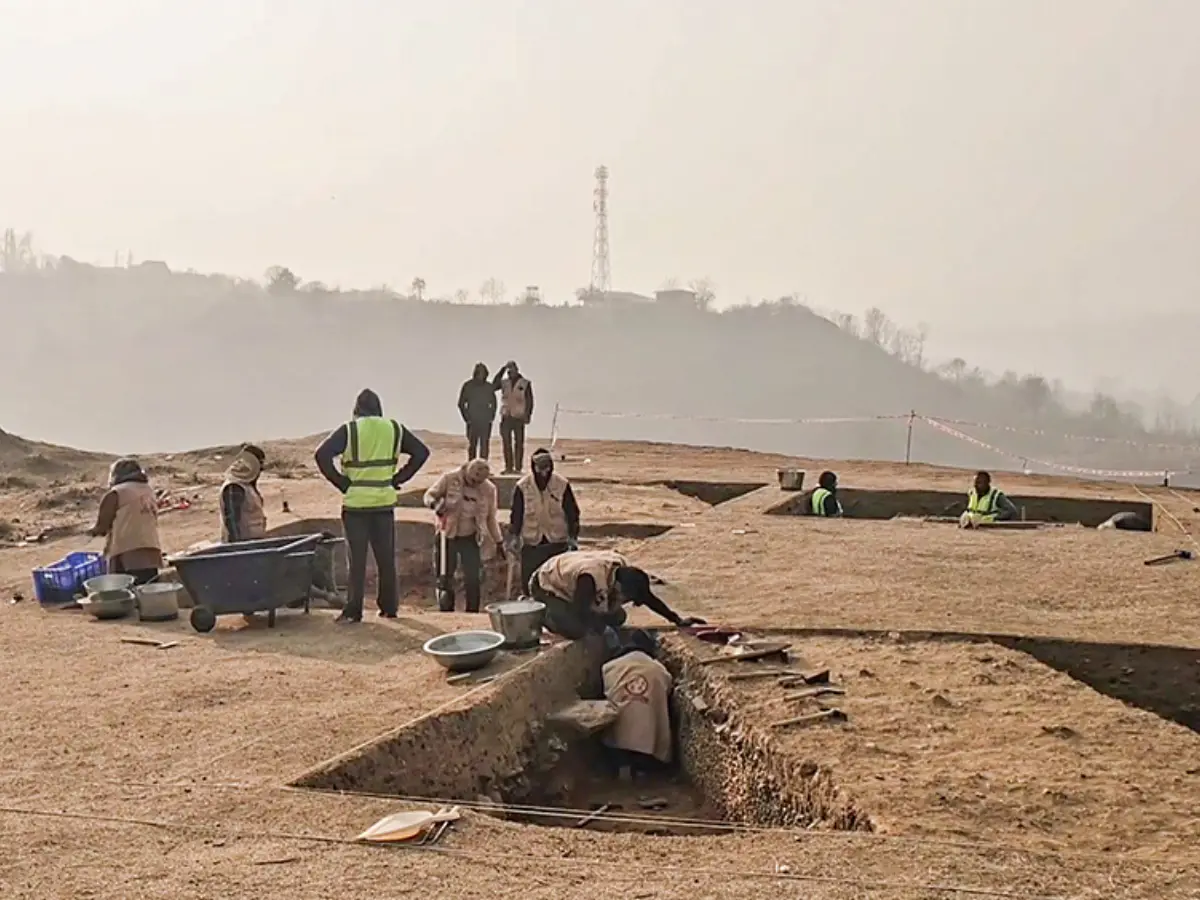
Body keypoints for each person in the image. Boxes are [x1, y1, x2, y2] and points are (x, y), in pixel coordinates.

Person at [314, 389, 430, 623]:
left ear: (357, 410)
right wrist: (399, 478)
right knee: (386, 559)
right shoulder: (394, 428)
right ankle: (389, 607)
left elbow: (321, 455)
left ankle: (353, 610)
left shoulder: (350, 429)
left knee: (356, 561)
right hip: (384, 503)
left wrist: (342, 483)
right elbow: (421, 452)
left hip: (356, 505)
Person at [528, 549, 705, 641]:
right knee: (578, 630)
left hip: (574, 584)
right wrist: (601, 628)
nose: (624, 601)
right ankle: (540, 613)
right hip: (547, 585)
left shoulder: (623, 569)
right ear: (618, 588)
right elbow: (580, 611)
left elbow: (648, 598)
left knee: (619, 617)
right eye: (625, 598)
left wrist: (677, 619)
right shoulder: (589, 580)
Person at [423, 459, 505, 613]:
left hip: (471, 537)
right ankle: (446, 610)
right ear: (467, 471)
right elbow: (429, 495)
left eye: (479, 481)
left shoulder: (489, 489)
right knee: (445, 575)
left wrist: (499, 541)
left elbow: (491, 518)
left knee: (473, 577)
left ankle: (472, 611)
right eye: (473, 480)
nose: (475, 484)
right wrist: (435, 504)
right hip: (447, 534)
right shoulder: (449, 478)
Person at [601, 629, 674, 778]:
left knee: (617, 733)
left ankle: (623, 769)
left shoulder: (609, 667)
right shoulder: (660, 670)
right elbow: (667, 691)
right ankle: (643, 772)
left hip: (617, 740)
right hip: (648, 741)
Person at [511, 447, 580, 588]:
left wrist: (573, 537)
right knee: (530, 582)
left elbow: (572, 513)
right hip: (532, 543)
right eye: (540, 469)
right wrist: (514, 536)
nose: (544, 473)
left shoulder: (562, 484)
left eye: (547, 468)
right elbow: (516, 514)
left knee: (555, 582)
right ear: (533, 467)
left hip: (556, 542)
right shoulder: (522, 486)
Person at [89, 458, 163, 585]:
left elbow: (101, 528)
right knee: (148, 594)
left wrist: (89, 531)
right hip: (151, 552)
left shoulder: (115, 493)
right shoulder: (148, 491)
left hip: (127, 555)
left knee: (127, 597)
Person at [219, 444, 267, 543]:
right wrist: (237, 548)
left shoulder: (247, 486)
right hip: (243, 545)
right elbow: (232, 521)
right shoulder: (234, 487)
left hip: (254, 541)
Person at [493, 360, 533, 474]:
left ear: (517, 370)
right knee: (506, 442)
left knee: (519, 443)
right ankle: (508, 467)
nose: (511, 373)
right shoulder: (504, 383)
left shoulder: (525, 383)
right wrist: (502, 370)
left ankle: (518, 468)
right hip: (506, 416)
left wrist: (528, 414)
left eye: (512, 370)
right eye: (509, 371)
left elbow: (529, 400)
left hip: (519, 416)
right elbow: (494, 385)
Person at [458, 362, 498, 461]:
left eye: (483, 373)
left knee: (484, 445)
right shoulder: (468, 386)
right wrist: (467, 418)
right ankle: (471, 468)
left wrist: (491, 417)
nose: (481, 375)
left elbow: (494, 403)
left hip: (485, 420)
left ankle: (484, 468)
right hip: (472, 420)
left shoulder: (488, 387)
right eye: (479, 373)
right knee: (472, 445)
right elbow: (461, 403)